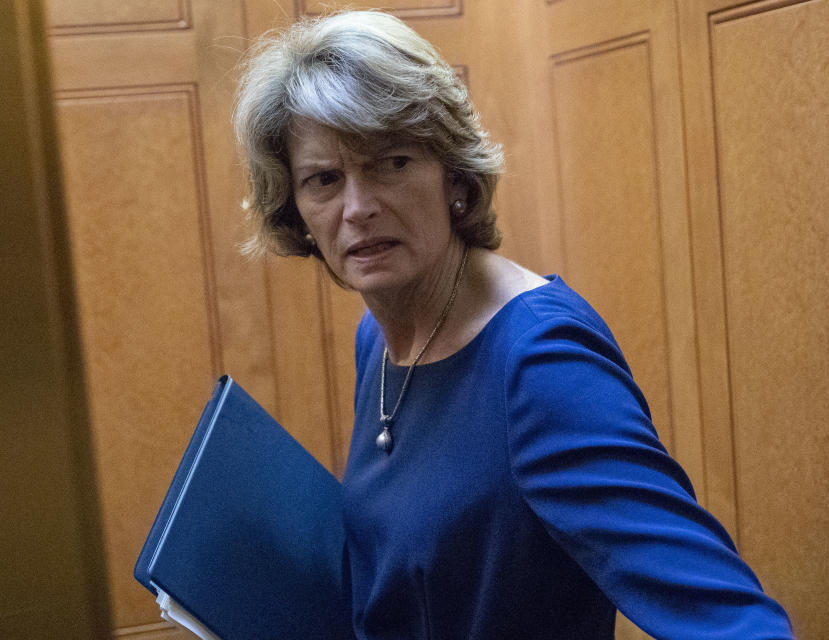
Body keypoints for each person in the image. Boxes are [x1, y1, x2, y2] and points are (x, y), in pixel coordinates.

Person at [233, 9, 794, 640]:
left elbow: (732, 622)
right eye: (325, 180)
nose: (358, 208)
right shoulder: (381, 336)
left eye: (391, 162)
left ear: (453, 175)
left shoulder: (539, 363)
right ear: (296, 208)